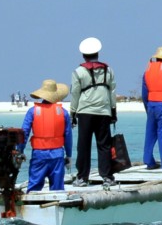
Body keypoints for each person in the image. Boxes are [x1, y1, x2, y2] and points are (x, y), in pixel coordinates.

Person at [70, 36, 118, 187]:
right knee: (104, 145)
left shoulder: (78, 72)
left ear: (83, 55)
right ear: (98, 53)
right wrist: (113, 112)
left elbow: (75, 94)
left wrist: (72, 113)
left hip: (84, 111)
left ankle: (82, 177)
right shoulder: (108, 70)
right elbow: (112, 92)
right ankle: (107, 177)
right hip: (104, 111)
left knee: (83, 145)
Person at [18, 79, 73, 192]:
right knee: (57, 189)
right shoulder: (63, 112)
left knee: (34, 187)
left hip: (39, 155)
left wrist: (20, 151)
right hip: (57, 156)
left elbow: (24, 133)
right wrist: (69, 155)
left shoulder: (32, 111)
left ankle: (32, 206)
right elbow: (68, 135)